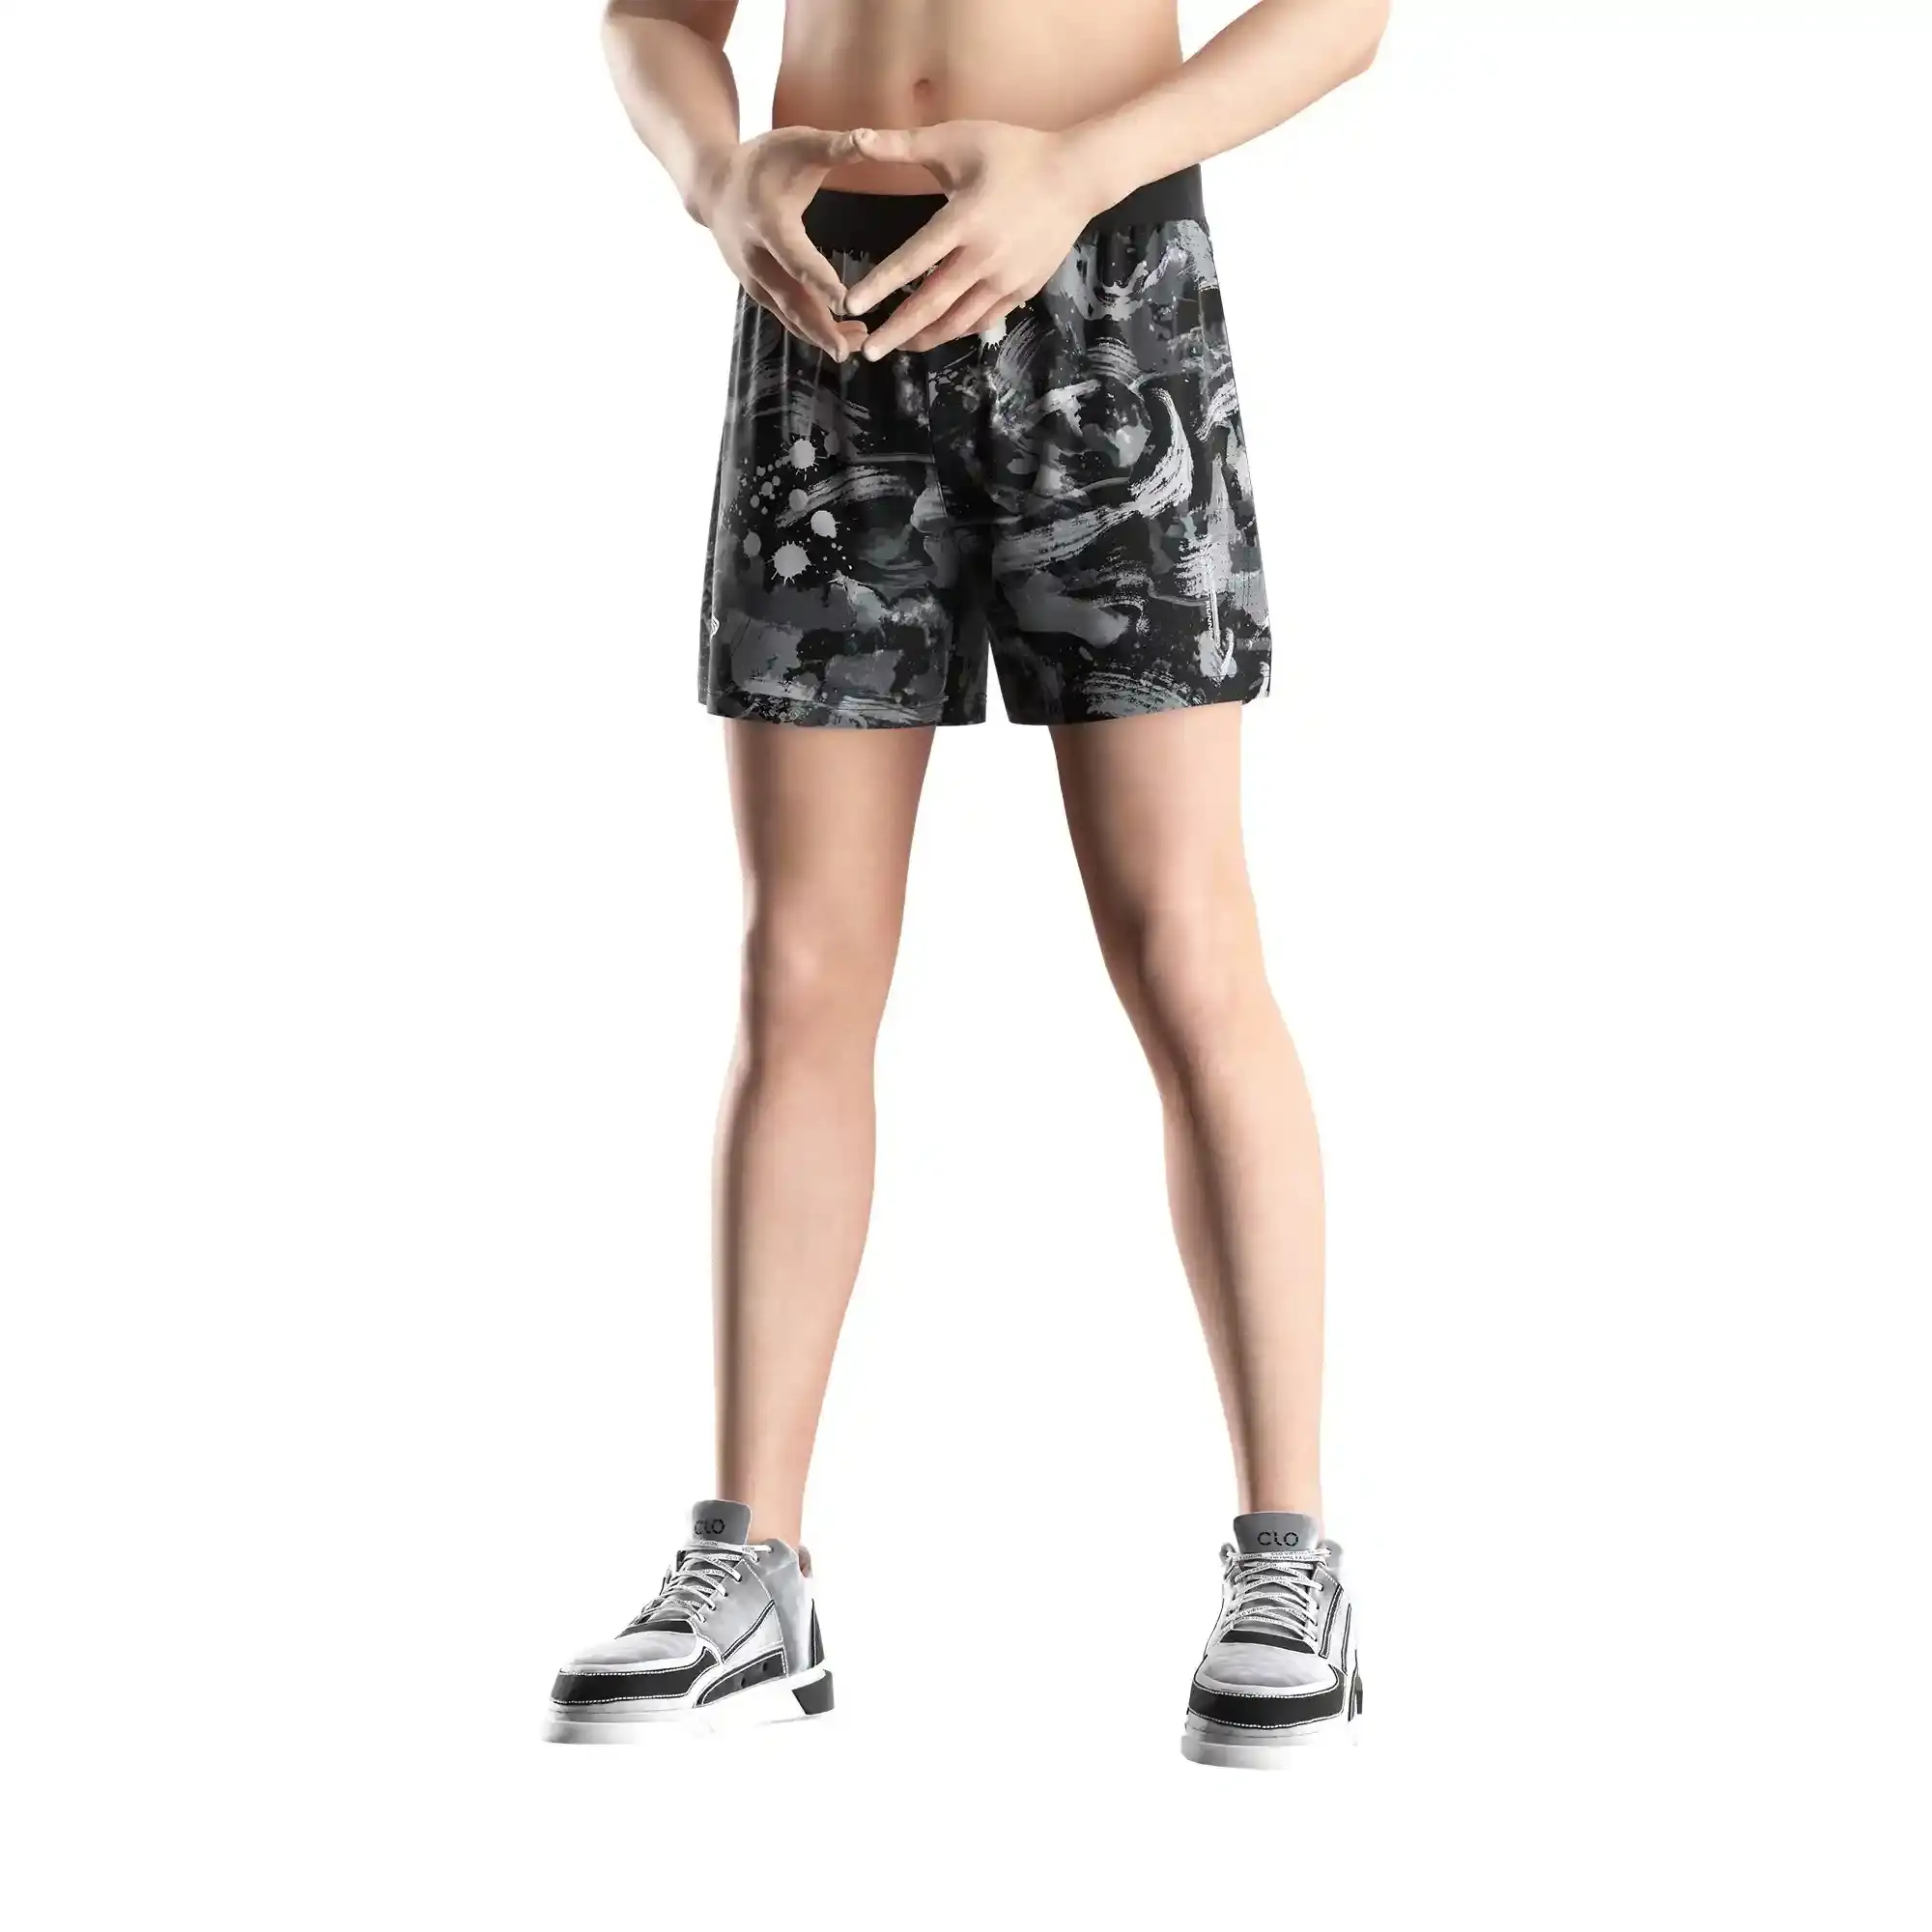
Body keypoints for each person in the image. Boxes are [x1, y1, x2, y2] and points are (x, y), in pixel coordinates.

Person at [543, 0, 1387, 1767]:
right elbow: (656, 17)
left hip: (1106, 287)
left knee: (1183, 943)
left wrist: (1083, 168)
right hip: (823, 310)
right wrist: (717, 175)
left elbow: (1349, 15)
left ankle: (1290, 1555)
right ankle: (753, 1564)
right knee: (799, 968)